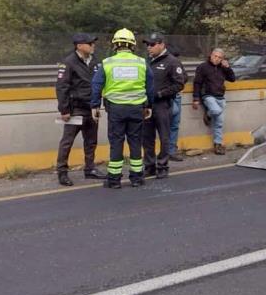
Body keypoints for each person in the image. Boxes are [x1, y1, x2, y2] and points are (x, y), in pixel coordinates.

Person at [91, 28, 155, 189]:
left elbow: (96, 86)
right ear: (132, 45)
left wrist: (94, 106)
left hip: (116, 110)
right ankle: (137, 178)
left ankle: (114, 180)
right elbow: (150, 87)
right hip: (136, 109)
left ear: (115, 45)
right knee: (135, 141)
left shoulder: (107, 63)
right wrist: (149, 106)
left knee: (116, 142)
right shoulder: (141, 63)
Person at [54, 33, 107, 186]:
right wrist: (64, 110)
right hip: (75, 108)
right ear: (79, 46)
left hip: (91, 107)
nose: (93, 45)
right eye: (90, 43)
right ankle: (62, 172)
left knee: (91, 141)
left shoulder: (96, 62)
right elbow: (61, 87)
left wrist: (98, 105)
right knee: (67, 141)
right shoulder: (69, 63)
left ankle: (90, 169)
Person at [142, 34, 185, 179]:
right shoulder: (146, 61)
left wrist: (161, 94)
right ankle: (149, 166)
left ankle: (162, 165)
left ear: (161, 44)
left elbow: (179, 84)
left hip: (162, 105)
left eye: (152, 44)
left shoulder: (172, 62)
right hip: (147, 105)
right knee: (147, 137)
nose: (149, 47)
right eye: (147, 44)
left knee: (164, 137)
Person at [192, 48, 236, 155]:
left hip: (220, 97)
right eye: (214, 56)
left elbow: (232, 79)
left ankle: (218, 145)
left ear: (222, 59)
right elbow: (197, 83)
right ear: (210, 55)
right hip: (207, 95)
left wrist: (228, 68)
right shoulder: (203, 67)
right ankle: (208, 114)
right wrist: (196, 98)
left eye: (219, 57)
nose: (216, 59)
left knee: (219, 123)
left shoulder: (223, 68)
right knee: (216, 111)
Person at [167, 43, 186, 162]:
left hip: (177, 96)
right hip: (166, 97)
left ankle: (171, 151)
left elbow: (185, 77)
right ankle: (166, 151)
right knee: (166, 125)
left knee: (174, 125)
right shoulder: (161, 64)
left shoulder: (177, 64)